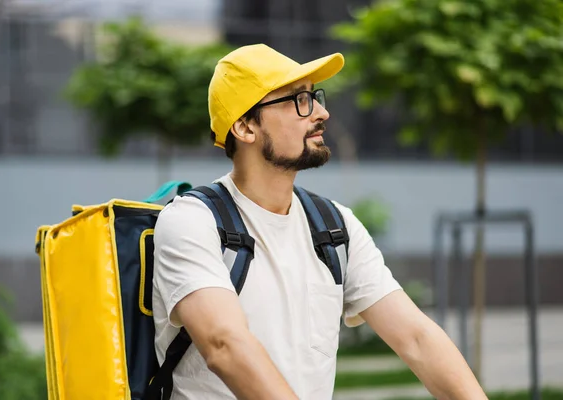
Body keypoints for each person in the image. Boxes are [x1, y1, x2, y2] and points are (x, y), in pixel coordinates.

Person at [152, 44, 486, 400]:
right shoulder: (191, 222)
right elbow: (224, 345)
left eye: (315, 97)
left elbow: (417, 339)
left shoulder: (334, 226)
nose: (322, 113)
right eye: (299, 100)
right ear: (245, 126)